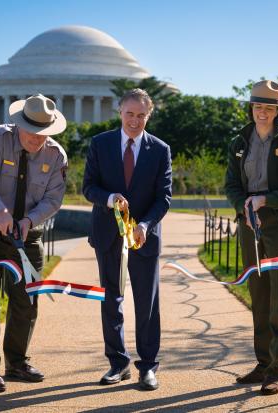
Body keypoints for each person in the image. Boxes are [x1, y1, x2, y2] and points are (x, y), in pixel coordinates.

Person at [0, 94, 68, 392]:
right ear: (19, 124)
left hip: (26, 232)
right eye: (32, 132)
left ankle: (17, 362)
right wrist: (0, 212)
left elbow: (53, 198)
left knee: (27, 296)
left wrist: (29, 220)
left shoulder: (56, 156)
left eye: (44, 133)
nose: (37, 139)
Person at [82, 88, 172, 391]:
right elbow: (88, 188)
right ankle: (117, 364)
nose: (135, 120)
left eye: (141, 115)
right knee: (111, 300)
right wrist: (109, 199)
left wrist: (145, 225)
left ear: (149, 116)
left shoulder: (160, 150)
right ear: (120, 111)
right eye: (130, 113)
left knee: (147, 303)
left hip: (143, 238)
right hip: (108, 235)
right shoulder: (100, 143)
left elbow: (164, 198)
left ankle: (148, 367)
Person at [225, 80, 278, 395]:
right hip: (249, 224)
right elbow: (232, 183)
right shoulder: (239, 141)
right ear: (251, 107)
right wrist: (243, 205)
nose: (262, 112)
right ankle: (262, 363)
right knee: (258, 294)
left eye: (269, 108)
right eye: (258, 106)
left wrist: (265, 200)